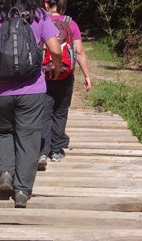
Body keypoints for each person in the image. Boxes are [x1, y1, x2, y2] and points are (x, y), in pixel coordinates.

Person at [0, 0, 62, 208]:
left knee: (4, 131)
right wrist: (57, 68)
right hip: (32, 90)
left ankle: (5, 172)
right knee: (29, 137)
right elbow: (56, 50)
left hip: (0, 91)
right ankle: (22, 190)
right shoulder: (40, 15)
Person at [38, 0, 92, 170]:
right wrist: (87, 75)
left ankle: (42, 151)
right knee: (60, 113)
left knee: (44, 113)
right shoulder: (71, 23)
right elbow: (80, 51)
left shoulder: (39, 22)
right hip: (65, 75)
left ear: (46, 3)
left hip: (44, 76)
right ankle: (56, 150)